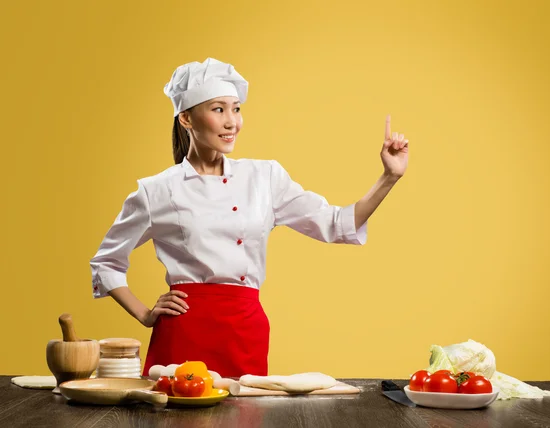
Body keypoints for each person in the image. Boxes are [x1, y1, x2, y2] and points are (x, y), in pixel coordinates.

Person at [90, 57, 410, 378]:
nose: (232, 122)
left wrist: (389, 177)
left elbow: (337, 224)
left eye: (236, 109)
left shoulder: (265, 177)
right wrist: (146, 315)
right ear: (186, 118)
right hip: (184, 333)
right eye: (219, 110)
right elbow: (106, 263)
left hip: (245, 331)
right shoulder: (157, 190)